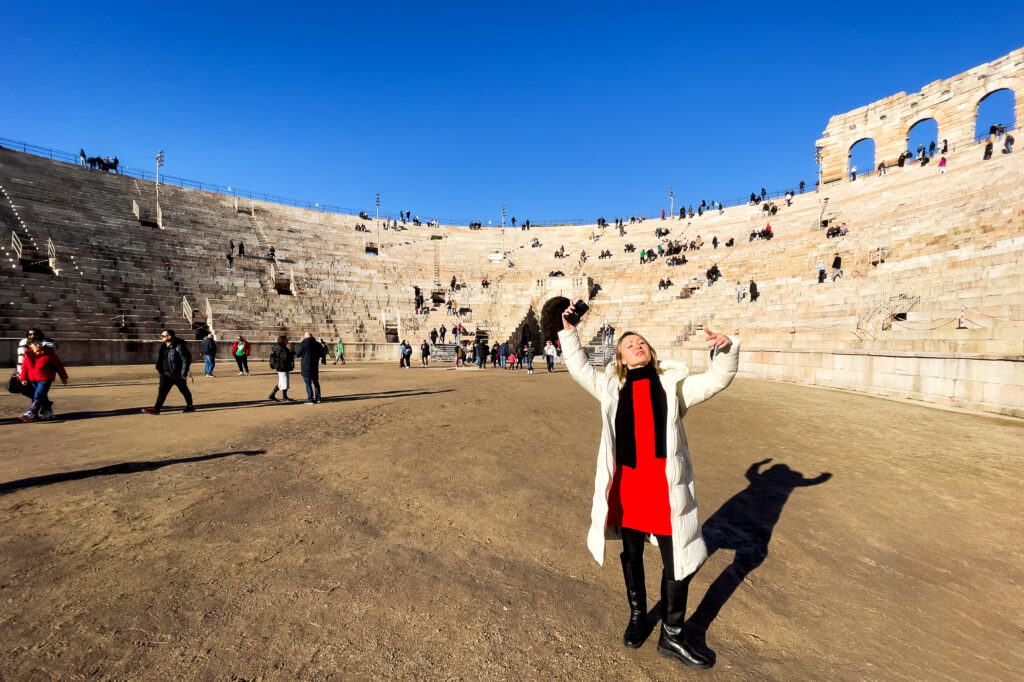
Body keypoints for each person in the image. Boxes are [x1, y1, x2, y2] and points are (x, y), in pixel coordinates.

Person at [558, 304, 739, 669]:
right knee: (632, 554)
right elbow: (579, 369)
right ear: (621, 358)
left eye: (641, 342)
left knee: (678, 559)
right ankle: (638, 616)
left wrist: (726, 349)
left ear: (650, 352)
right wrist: (568, 330)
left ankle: (672, 635)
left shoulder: (675, 386)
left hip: (665, 489)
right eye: (629, 344)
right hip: (628, 487)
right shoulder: (610, 386)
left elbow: (716, 380)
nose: (636, 345)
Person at [18, 332, 69, 421]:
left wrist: (63, 377)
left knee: (37, 395)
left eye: (39, 343)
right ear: (30, 345)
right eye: (35, 343)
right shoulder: (28, 354)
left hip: (45, 379)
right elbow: (25, 367)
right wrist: (23, 378)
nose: (38, 345)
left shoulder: (49, 353)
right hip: (33, 379)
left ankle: (31, 412)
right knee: (42, 396)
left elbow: (58, 366)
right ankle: (48, 412)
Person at [142, 330, 194, 415]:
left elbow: (186, 359)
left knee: (184, 390)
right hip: (165, 373)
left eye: (163, 336)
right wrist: (159, 368)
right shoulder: (163, 345)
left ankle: (190, 406)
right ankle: (156, 409)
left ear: (169, 336)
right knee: (162, 391)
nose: (161, 337)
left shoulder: (179, 346)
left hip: (176, 373)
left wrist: (184, 373)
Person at [296, 332, 324, 403]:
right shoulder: (318, 344)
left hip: (306, 366)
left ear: (305, 337)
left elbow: (298, 354)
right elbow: (322, 354)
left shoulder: (303, 343)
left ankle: (310, 398)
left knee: (308, 383)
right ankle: (318, 398)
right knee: (316, 382)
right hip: (314, 365)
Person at [268, 335, 296, 402]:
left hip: (282, 366)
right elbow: (284, 358)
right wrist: (291, 354)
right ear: (283, 340)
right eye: (286, 339)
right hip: (282, 366)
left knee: (283, 382)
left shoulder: (279, 347)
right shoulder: (282, 348)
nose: (288, 340)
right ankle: (283, 396)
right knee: (284, 382)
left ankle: (275, 395)